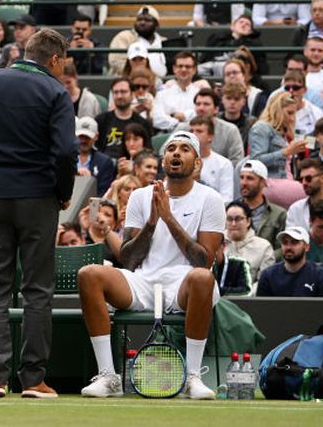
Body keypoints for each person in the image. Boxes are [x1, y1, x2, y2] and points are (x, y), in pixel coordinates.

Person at [0, 28, 76, 398]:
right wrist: (63, 193)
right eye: (63, 62)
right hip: (38, 198)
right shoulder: (56, 92)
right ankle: (33, 380)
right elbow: (65, 153)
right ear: (54, 59)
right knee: (37, 290)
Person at [78, 131, 223, 399]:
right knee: (89, 274)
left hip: (185, 283)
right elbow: (129, 259)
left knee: (203, 277)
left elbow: (204, 260)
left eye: (184, 149)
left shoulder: (210, 199)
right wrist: (152, 222)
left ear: (197, 163)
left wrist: (169, 219)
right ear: (163, 159)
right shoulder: (140, 196)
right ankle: (109, 376)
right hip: (144, 281)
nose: (176, 153)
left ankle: (192, 377)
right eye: (171, 148)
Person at [256, 226, 323, 296]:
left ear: (306, 247)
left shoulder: (320, 276)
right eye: (285, 242)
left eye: (294, 242)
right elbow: (261, 308)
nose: (289, 247)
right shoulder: (268, 276)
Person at [238, 158, 289, 248]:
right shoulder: (229, 210)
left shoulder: (279, 214)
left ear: (263, 182)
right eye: (242, 177)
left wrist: (264, 257)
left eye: (250, 178)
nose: (244, 183)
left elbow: (282, 248)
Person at [223, 199, 275, 284]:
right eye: (229, 219)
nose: (233, 224)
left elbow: (263, 282)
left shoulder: (264, 247)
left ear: (248, 221)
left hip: (250, 296)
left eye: (238, 219)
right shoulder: (216, 243)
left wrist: (245, 295)